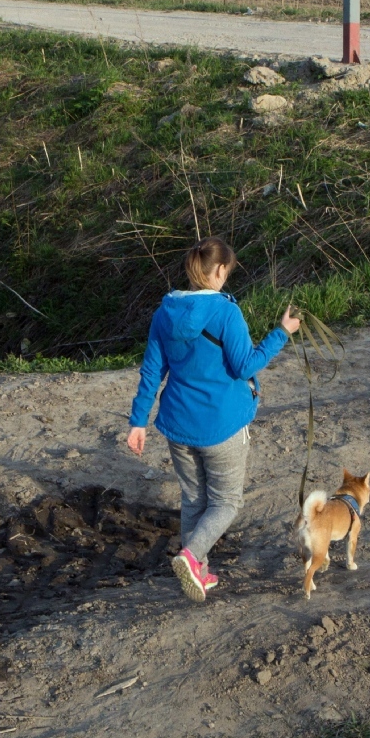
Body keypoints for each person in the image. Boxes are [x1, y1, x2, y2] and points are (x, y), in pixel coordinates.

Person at [127, 237, 300, 603]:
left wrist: (138, 421)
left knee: (193, 499)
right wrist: (281, 333)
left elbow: (152, 371)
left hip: (177, 424)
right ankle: (190, 557)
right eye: (228, 271)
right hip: (221, 426)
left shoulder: (165, 312)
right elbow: (246, 366)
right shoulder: (225, 312)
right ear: (220, 270)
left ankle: (197, 573)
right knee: (226, 503)